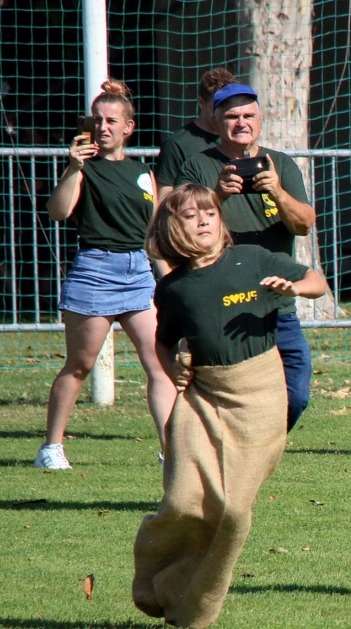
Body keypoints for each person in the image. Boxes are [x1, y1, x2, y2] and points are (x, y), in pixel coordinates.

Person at [132, 184, 326, 629]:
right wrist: (172, 370)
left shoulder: (253, 258)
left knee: (233, 513)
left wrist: (295, 287)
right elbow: (163, 342)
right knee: (182, 501)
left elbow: (317, 281)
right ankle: (155, 576)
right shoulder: (174, 288)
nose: (203, 220)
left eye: (209, 212)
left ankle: (193, 604)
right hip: (202, 399)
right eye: (189, 215)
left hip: (259, 395)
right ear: (171, 228)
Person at [36, 79, 176, 470]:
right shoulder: (84, 169)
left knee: (159, 364)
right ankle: (51, 447)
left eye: (112, 120)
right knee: (80, 365)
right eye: (97, 119)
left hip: (138, 272)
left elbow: (153, 234)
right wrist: (73, 167)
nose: (103, 127)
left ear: (129, 126)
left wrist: (166, 279)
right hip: (95, 270)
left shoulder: (144, 173)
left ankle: (170, 451)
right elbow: (59, 211)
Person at [175, 83, 317, 431]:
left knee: (295, 393)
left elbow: (303, 225)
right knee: (221, 392)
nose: (242, 122)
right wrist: (218, 196)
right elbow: (181, 228)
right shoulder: (198, 166)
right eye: (232, 116)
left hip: (274, 302)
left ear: (260, 118)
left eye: (249, 115)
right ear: (216, 119)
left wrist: (277, 191)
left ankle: (259, 445)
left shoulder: (279, 163)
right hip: (220, 301)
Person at [154, 68, 237, 201]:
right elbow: (164, 198)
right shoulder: (177, 144)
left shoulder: (237, 138)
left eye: (228, 107)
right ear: (201, 103)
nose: (223, 113)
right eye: (217, 107)